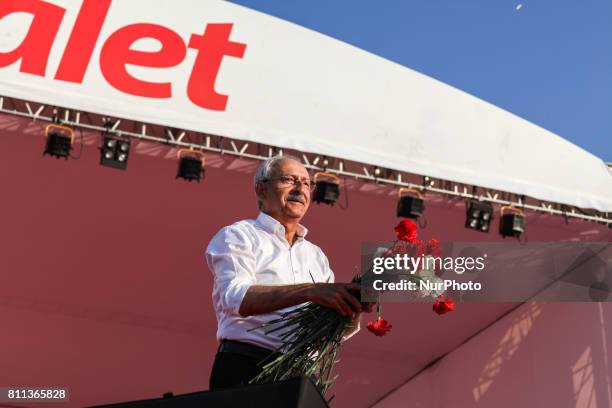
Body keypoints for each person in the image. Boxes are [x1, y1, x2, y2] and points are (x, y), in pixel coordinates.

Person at [205, 155, 369, 390]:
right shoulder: (239, 235)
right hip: (246, 366)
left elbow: (328, 332)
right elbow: (236, 298)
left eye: (306, 183)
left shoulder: (316, 256)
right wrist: (311, 291)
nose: (300, 188)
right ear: (261, 189)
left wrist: (350, 310)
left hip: (299, 375)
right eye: (289, 180)